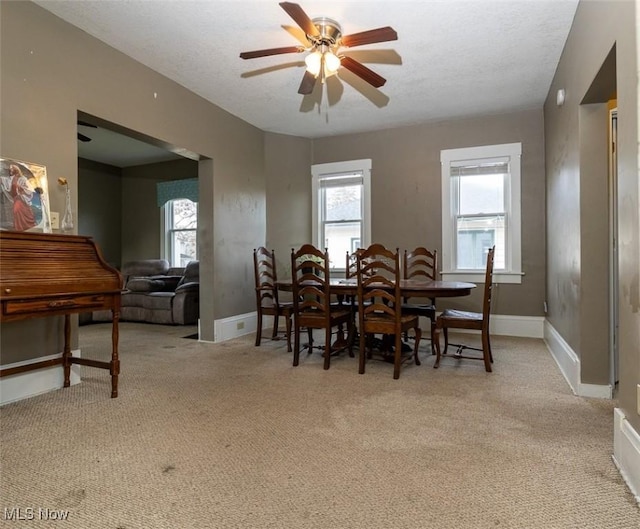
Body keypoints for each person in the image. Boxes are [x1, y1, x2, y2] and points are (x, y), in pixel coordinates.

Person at [8, 164, 37, 231]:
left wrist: (20, 188)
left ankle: (23, 227)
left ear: (16, 170)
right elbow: (7, 184)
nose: (10, 170)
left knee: (17, 210)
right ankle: (18, 228)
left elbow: (29, 190)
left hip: (22, 199)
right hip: (16, 199)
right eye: (10, 169)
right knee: (15, 211)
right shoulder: (12, 178)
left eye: (12, 169)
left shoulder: (23, 179)